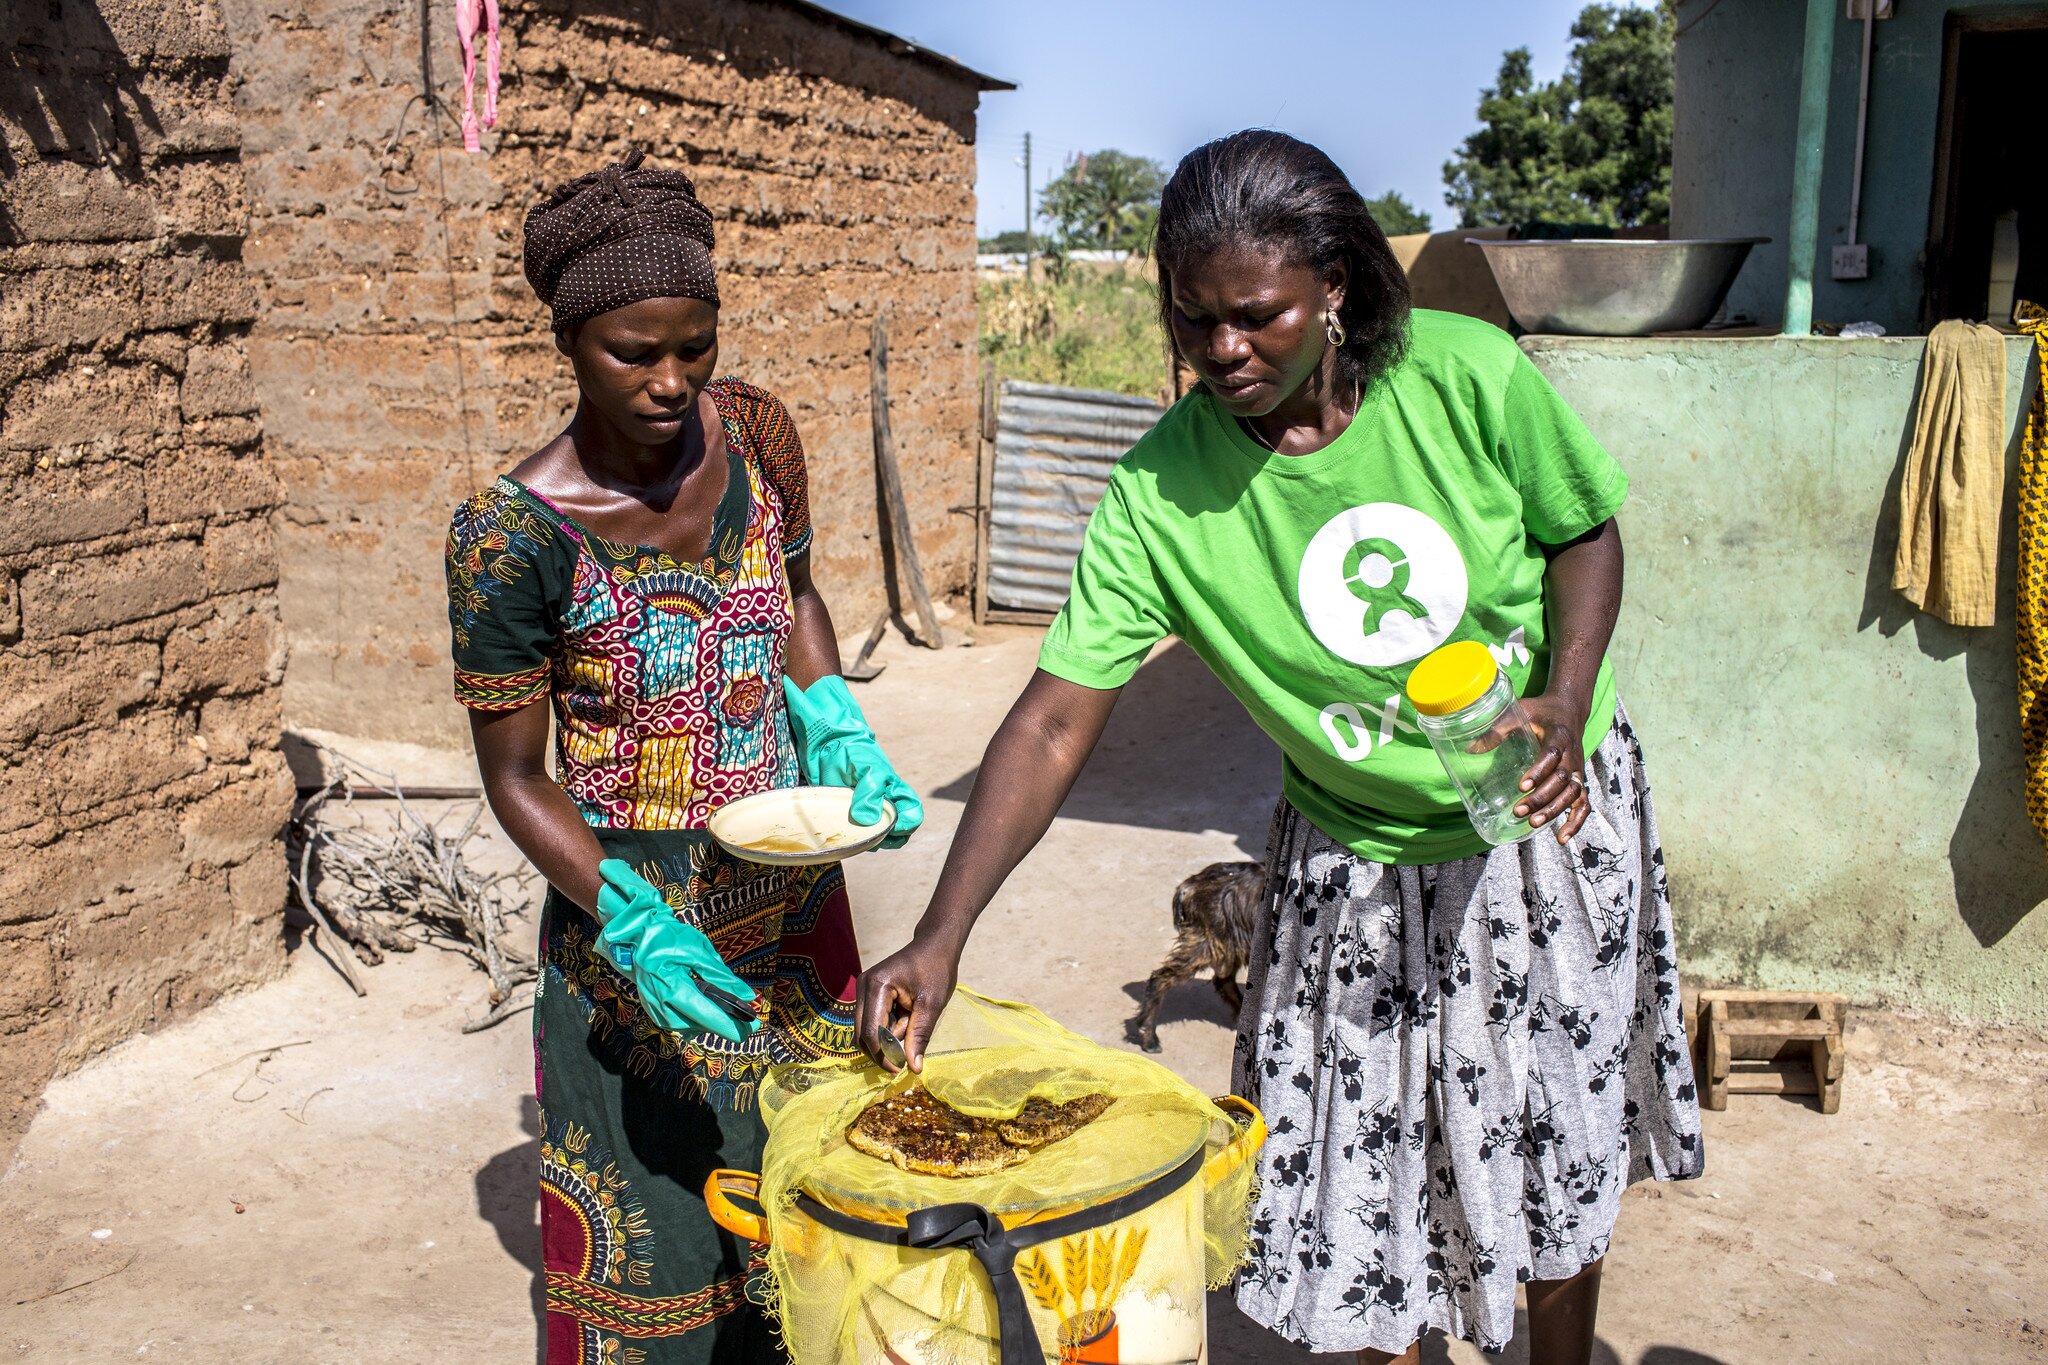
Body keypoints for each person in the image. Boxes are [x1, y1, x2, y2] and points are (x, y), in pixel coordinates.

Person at [856, 130, 1702, 1364]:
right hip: (1351, 857)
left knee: (1548, 1146)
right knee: (1358, 1198)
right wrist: (941, 936)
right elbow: (1048, 719)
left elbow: (1583, 533)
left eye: (1253, 316)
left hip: (1540, 825)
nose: (1220, 351)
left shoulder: (1463, 378)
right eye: (1190, 320)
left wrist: (1563, 704)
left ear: (1335, 289)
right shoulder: (1160, 494)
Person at [443, 150, 923, 1363]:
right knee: (659, 1247)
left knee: (821, 1210)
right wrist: (628, 918)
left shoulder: (756, 431)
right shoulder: (510, 537)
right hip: (633, 924)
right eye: (632, 352)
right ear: (569, 345)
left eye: (692, 346)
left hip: (793, 883)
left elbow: (798, 596)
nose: (670, 381)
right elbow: (515, 778)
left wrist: (830, 715)